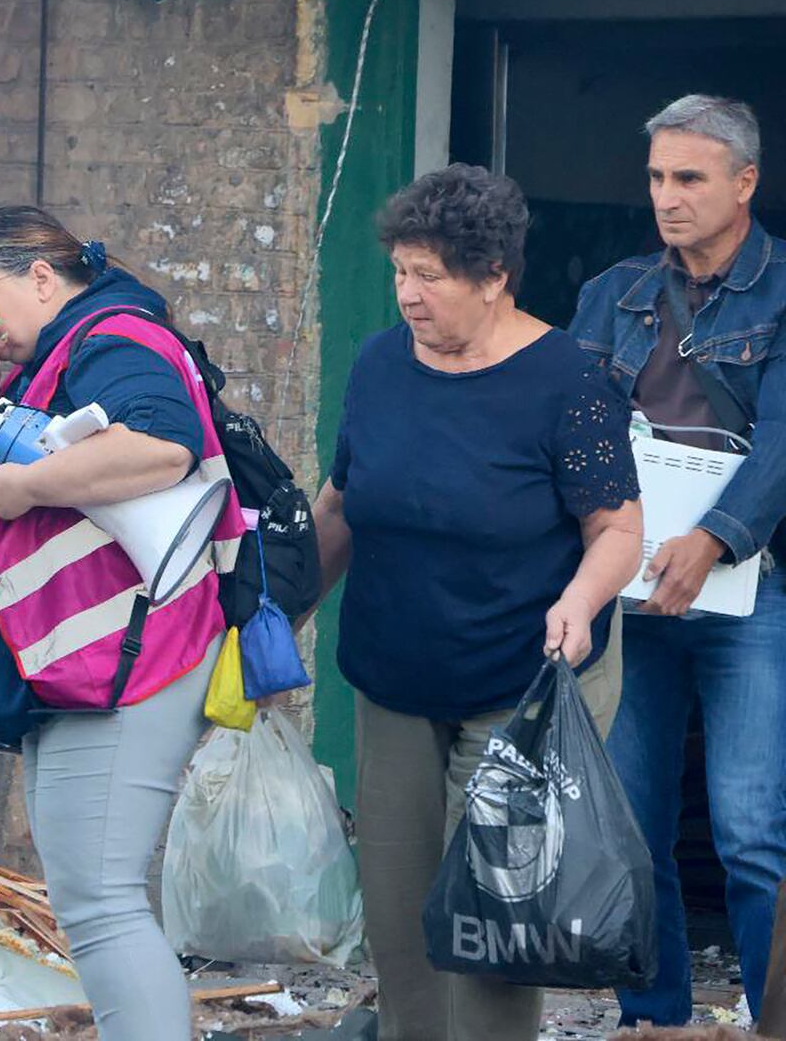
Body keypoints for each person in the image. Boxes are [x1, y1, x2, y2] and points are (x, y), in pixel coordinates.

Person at [308, 164, 644, 1041]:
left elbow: (616, 530)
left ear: (494, 277)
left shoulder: (570, 380)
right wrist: (272, 611)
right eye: (399, 271)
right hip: (394, 675)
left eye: (430, 276)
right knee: (396, 902)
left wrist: (580, 598)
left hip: (518, 685)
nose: (407, 296)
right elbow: (342, 503)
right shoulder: (381, 363)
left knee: (491, 916)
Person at [0, 206, 243, 1041]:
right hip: (82, 659)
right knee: (91, 897)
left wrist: (30, 486)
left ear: (40, 276)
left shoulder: (114, 337)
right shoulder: (45, 359)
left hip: (130, 658)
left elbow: (165, 448)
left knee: (99, 903)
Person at [568, 94, 786, 1028]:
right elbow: (571, 427)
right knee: (631, 824)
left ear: (746, 182)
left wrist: (719, 536)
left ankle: (772, 1016)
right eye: (657, 176)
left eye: (689, 177)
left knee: (750, 833)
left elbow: (784, 437)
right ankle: (653, 1017)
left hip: (750, 591)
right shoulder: (611, 293)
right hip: (629, 589)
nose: (667, 196)